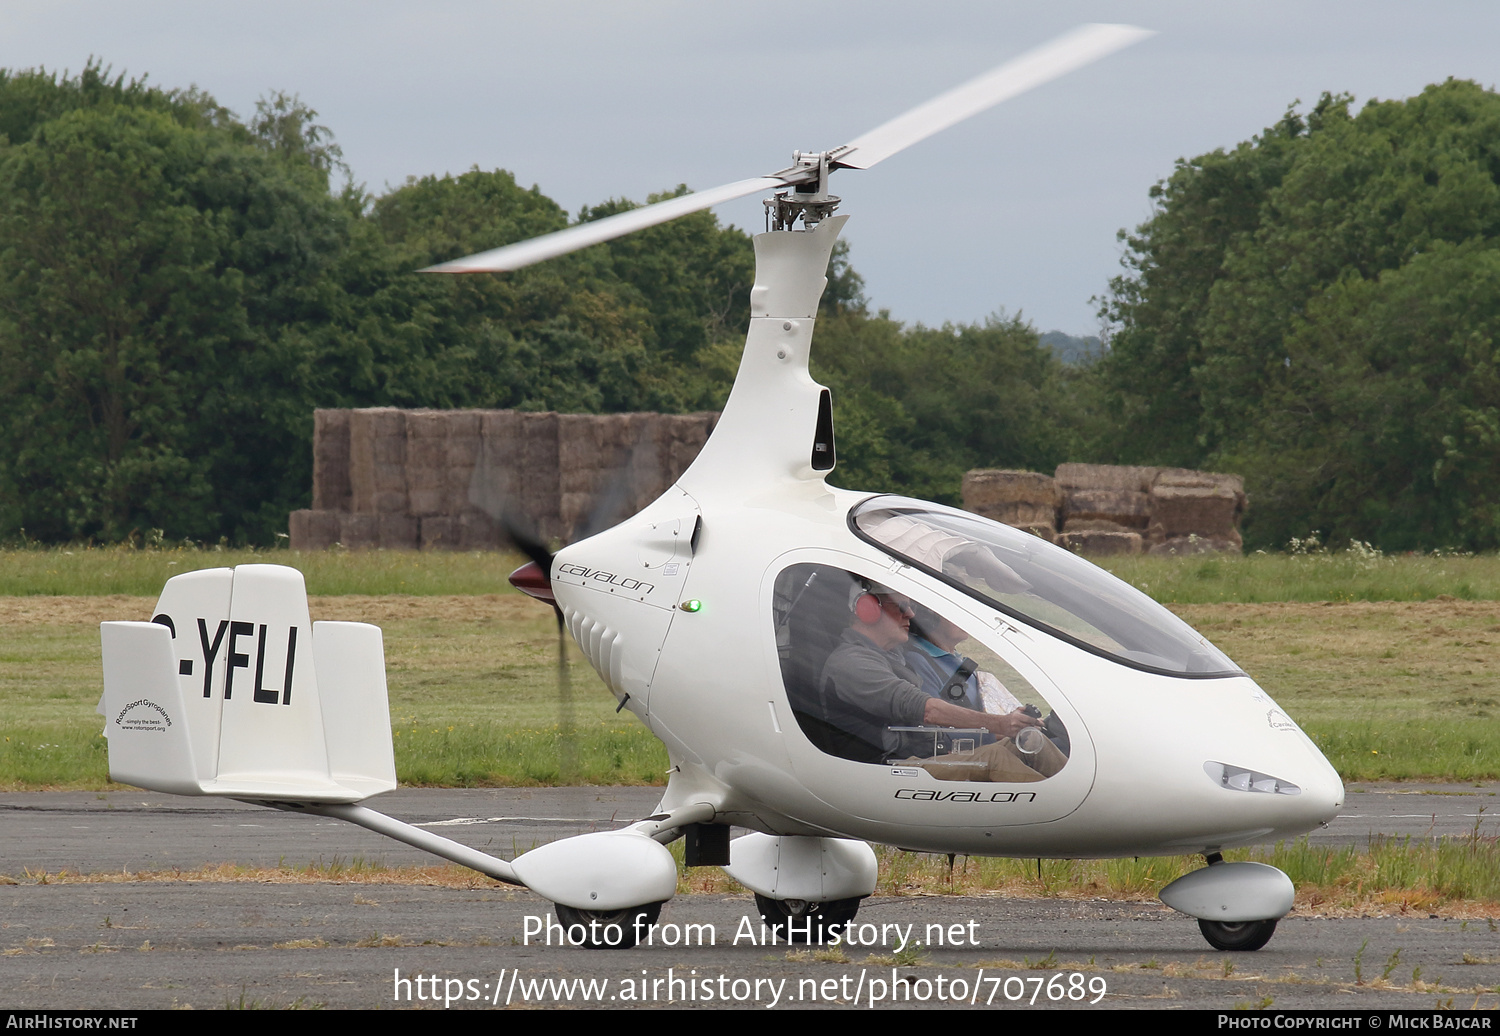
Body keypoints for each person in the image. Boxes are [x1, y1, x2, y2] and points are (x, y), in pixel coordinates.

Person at [817, 583, 1064, 783]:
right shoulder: (852, 663)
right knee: (995, 758)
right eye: (902, 606)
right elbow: (926, 710)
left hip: (919, 757)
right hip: (884, 768)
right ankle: (1066, 820)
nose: (911, 615)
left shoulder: (890, 657)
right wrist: (999, 723)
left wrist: (1011, 727)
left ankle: (1088, 805)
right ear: (867, 609)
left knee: (1031, 741)